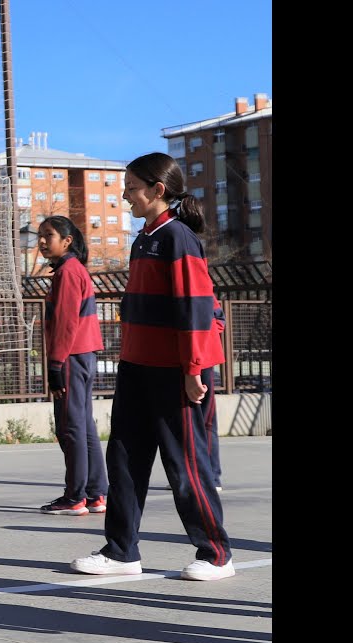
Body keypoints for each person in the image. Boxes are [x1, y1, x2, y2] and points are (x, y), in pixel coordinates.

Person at [70, 152, 234, 581]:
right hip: (136, 366)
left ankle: (217, 554)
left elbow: (195, 306)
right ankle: (121, 551)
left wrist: (193, 368)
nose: (124, 195)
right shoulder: (144, 238)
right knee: (124, 458)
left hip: (173, 371)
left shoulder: (178, 237)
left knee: (185, 465)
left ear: (157, 190)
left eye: (131, 187)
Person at [36, 216, 108, 516]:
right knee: (83, 425)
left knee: (70, 426)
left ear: (66, 241)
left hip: (71, 356)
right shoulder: (73, 269)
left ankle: (75, 496)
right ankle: (95, 493)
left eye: (48, 235)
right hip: (83, 355)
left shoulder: (67, 272)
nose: (42, 241)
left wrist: (55, 365)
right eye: (40, 235)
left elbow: (66, 323)